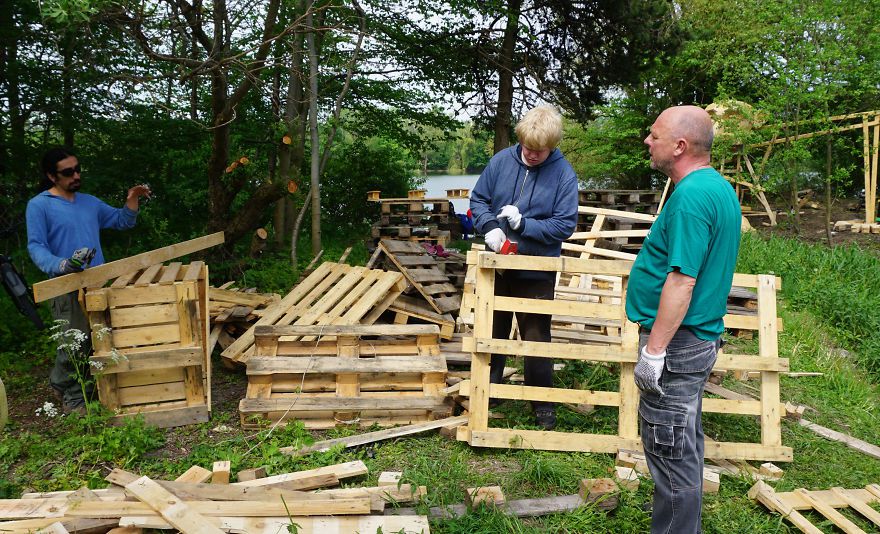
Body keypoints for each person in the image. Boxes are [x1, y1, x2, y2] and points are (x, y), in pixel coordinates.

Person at [625, 105, 741, 534]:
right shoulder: (715, 188)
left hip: (678, 346)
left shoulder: (692, 196)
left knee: (669, 453)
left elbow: (682, 280)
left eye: (654, 135)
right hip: (696, 339)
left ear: (680, 146)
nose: (647, 141)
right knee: (683, 443)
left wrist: (654, 352)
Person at [470, 106, 578, 430]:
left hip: (536, 269)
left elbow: (564, 225)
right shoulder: (501, 162)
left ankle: (542, 403)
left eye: (539, 151)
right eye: (527, 148)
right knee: (493, 330)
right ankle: (487, 393)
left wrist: (525, 224)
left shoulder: (563, 175)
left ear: (552, 147)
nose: (531, 155)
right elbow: (478, 200)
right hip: (498, 264)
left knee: (535, 335)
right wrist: (489, 226)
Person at [26, 147, 151, 413]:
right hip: (64, 284)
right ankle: (74, 397)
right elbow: (36, 247)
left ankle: (76, 384)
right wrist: (61, 265)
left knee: (99, 337)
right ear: (51, 175)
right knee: (75, 341)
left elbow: (121, 221)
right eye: (67, 172)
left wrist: (131, 200)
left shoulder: (89, 202)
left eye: (77, 169)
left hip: (97, 282)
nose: (75, 175)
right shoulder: (39, 205)